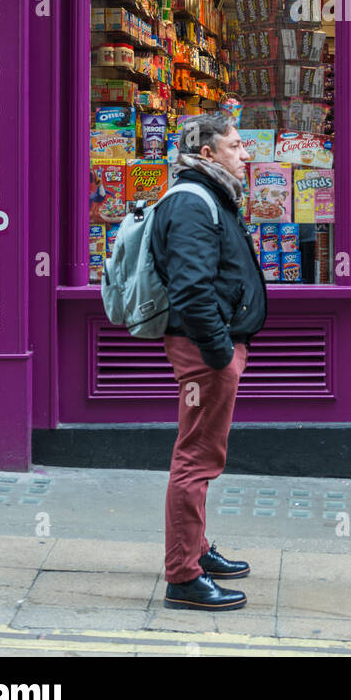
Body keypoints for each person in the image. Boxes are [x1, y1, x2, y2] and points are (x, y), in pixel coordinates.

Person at [150, 112, 267, 611]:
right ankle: (183, 576)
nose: (246, 154)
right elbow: (192, 289)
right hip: (203, 352)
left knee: (200, 455)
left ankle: (195, 550)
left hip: (211, 348)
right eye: (236, 145)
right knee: (196, 458)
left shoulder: (207, 196)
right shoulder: (193, 203)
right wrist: (221, 353)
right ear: (207, 154)